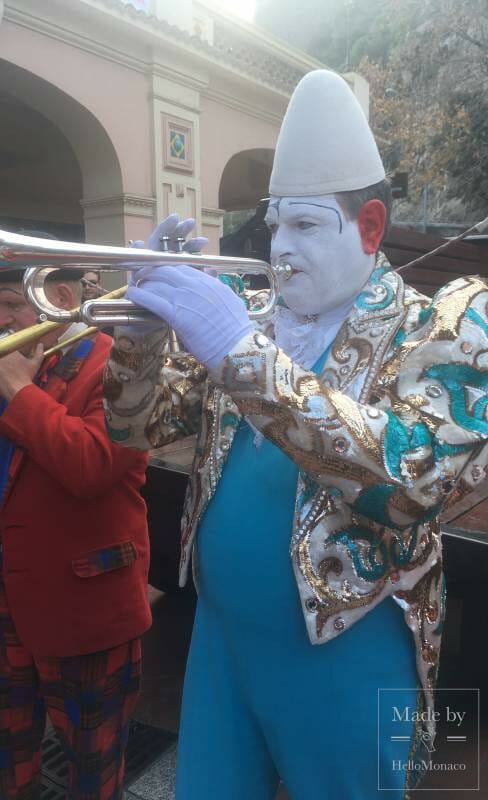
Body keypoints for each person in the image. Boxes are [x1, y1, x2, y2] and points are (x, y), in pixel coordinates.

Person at [103, 70, 488, 799]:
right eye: (275, 222)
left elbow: (409, 484)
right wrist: (142, 340)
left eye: (305, 224)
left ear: (369, 227)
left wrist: (240, 356)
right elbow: (132, 429)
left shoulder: (441, 329)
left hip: (349, 654)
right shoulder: (248, 314)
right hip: (220, 642)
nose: (280, 246)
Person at [0, 267, 151, 798]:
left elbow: (94, 465)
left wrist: (15, 390)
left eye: (12, 305)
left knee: (90, 758)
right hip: (3, 593)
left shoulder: (123, 363)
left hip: (85, 601)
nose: (0, 322)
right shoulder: (24, 362)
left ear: (57, 298)